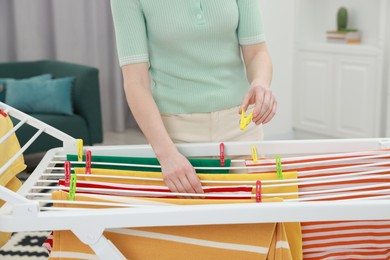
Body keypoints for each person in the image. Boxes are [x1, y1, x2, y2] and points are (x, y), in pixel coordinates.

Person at [110, 0, 277, 196]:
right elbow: (136, 82)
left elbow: (257, 52)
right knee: (190, 224)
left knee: (255, 221)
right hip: (177, 139)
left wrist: (260, 82)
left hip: (241, 127)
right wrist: (166, 154)